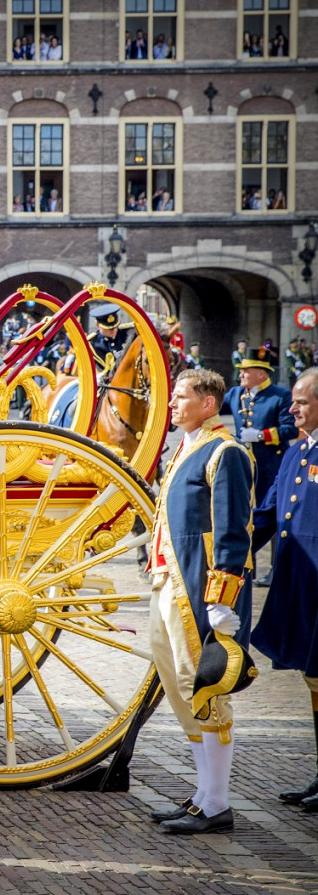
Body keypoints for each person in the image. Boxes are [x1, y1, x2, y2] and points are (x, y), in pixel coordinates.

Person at [146, 369, 254, 835]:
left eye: (182, 397)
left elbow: (232, 528)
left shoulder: (225, 451)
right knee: (179, 686)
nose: (172, 405)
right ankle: (203, 794)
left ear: (208, 403)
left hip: (196, 586)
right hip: (168, 579)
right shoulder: (187, 446)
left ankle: (218, 803)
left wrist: (222, 597)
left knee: (206, 688)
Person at [249, 368, 318, 810]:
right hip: (300, 586)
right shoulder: (296, 453)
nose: (292, 409)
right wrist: (228, 548)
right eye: (293, 401)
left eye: (303, 402)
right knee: (313, 681)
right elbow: (268, 514)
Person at [222, 349, 296, 586]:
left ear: (262, 374)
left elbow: (291, 429)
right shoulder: (235, 394)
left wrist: (262, 435)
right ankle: (245, 565)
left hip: (271, 467)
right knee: (244, 515)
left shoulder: (280, 396)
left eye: (247, 370)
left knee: (273, 515)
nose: (241, 374)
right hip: (243, 467)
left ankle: (276, 568)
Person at [89, 304, 130, 383]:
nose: (114, 331)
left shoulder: (127, 333)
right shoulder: (93, 343)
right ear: (97, 325)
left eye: (115, 327)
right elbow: (102, 371)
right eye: (109, 329)